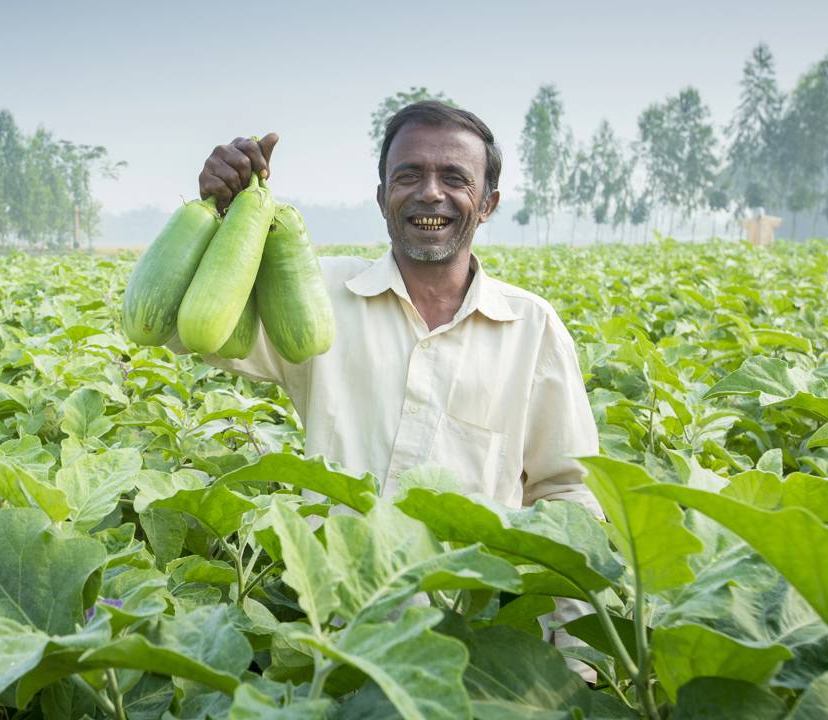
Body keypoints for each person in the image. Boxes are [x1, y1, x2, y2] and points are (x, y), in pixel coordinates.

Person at [171, 101, 603, 676]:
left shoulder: (532, 327)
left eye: (455, 178)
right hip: (334, 638)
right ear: (381, 198)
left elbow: (566, 496)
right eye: (409, 176)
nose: (431, 193)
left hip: (472, 649)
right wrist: (224, 221)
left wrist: (576, 669)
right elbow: (184, 330)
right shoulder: (316, 295)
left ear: (490, 203)